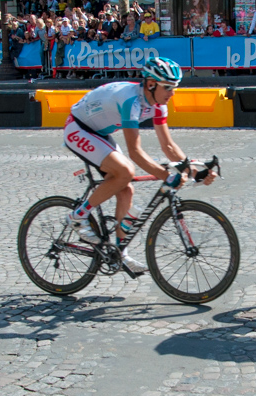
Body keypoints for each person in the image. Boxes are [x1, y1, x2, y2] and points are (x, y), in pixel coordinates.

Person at [61, 57, 216, 273]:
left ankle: (119, 252)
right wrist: (166, 176)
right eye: (168, 87)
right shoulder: (130, 101)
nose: (172, 93)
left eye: (175, 88)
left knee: (126, 189)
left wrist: (194, 173)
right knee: (125, 171)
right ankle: (78, 216)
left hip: (100, 133)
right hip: (78, 128)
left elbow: (168, 146)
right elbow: (134, 151)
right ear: (151, 84)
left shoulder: (158, 104)